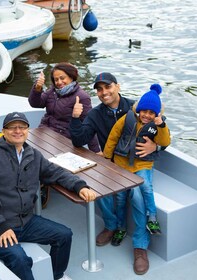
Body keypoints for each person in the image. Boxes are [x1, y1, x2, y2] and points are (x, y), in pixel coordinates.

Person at [0, 112, 96, 280]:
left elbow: (56, 172)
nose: (18, 131)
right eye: (12, 127)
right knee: (20, 260)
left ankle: (56, 275)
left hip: (25, 222)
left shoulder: (33, 155)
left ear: (27, 130)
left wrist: (79, 186)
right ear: (4, 131)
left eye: (22, 127)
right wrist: (1, 227)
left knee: (64, 235)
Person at [69, 72, 160, 275]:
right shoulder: (95, 114)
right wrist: (75, 118)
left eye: (107, 87)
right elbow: (79, 139)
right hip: (112, 163)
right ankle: (111, 225)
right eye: (99, 89)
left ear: (117, 87)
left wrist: (156, 147)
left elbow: (162, 132)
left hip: (138, 164)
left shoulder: (138, 108)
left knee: (137, 194)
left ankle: (140, 246)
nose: (103, 92)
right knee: (94, 182)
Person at [104, 84, 171, 236]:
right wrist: (107, 158)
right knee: (120, 198)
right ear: (139, 109)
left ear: (157, 114)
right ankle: (121, 227)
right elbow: (113, 137)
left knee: (146, 187)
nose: (147, 115)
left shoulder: (159, 125)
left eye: (151, 113)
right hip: (122, 164)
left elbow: (165, 141)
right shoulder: (126, 119)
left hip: (142, 164)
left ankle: (152, 218)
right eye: (144, 111)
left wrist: (162, 126)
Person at [28, 62, 100, 153]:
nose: (59, 82)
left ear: (71, 77)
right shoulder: (52, 91)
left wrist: (96, 151)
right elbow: (35, 103)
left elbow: (89, 124)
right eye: (56, 79)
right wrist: (37, 88)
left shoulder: (82, 96)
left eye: (62, 78)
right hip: (44, 131)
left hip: (64, 138)